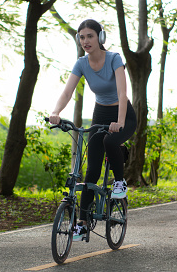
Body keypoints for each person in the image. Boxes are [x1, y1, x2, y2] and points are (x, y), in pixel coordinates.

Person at [49, 19, 137, 242]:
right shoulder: (81, 63)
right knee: (91, 173)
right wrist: (56, 112)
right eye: (82, 37)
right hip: (100, 113)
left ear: (100, 37)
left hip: (123, 113)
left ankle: (119, 182)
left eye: (90, 36)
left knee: (110, 141)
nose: (86, 41)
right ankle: (83, 222)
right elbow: (68, 92)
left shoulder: (114, 59)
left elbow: (121, 92)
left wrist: (118, 122)